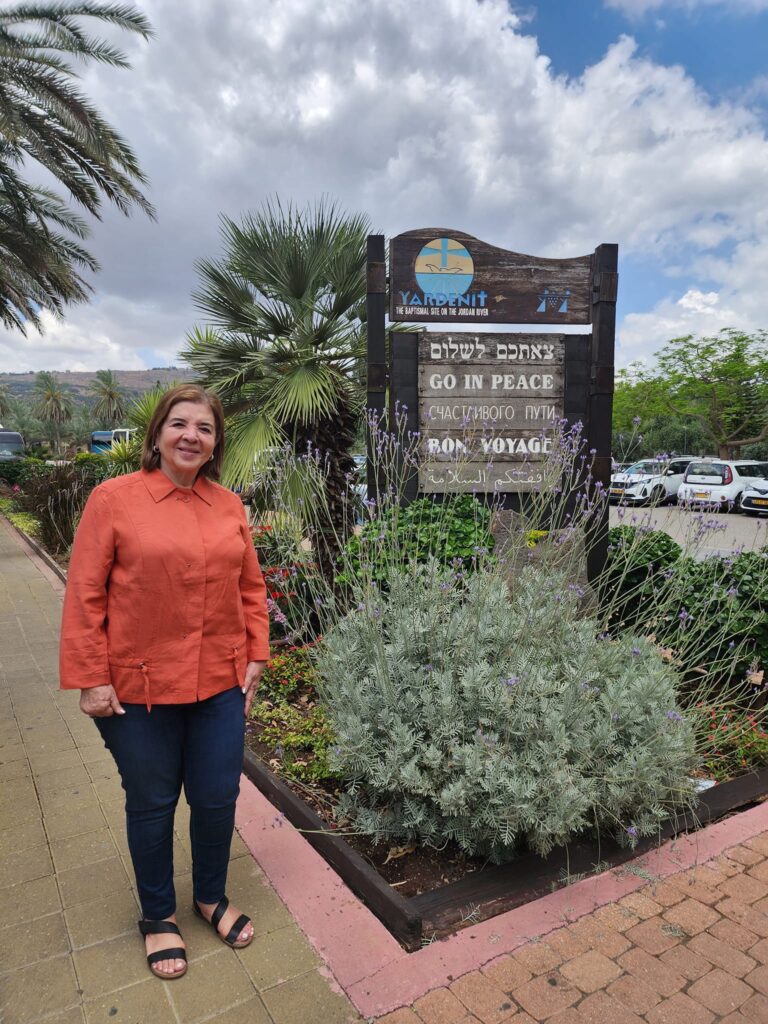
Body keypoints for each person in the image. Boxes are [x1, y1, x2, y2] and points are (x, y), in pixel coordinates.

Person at [59, 384, 270, 980]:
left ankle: (209, 897)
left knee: (215, 798)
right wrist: (90, 678)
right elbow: (84, 593)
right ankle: (157, 916)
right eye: (179, 424)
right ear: (156, 435)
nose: (190, 436)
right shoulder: (113, 500)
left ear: (214, 443)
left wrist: (257, 652)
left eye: (203, 428)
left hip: (219, 687)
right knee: (151, 804)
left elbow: (250, 588)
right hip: (137, 690)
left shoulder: (229, 506)